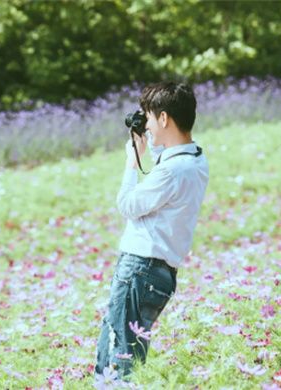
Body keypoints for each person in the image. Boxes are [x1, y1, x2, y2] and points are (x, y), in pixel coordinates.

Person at [95, 82, 209, 380]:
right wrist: (151, 149)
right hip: (161, 272)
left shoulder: (171, 170)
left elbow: (128, 205)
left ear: (163, 118)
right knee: (132, 354)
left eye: (148, 117)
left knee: (117, 359)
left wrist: (132, 162)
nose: (146, 125)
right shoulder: (196, 159)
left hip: (140, 268)